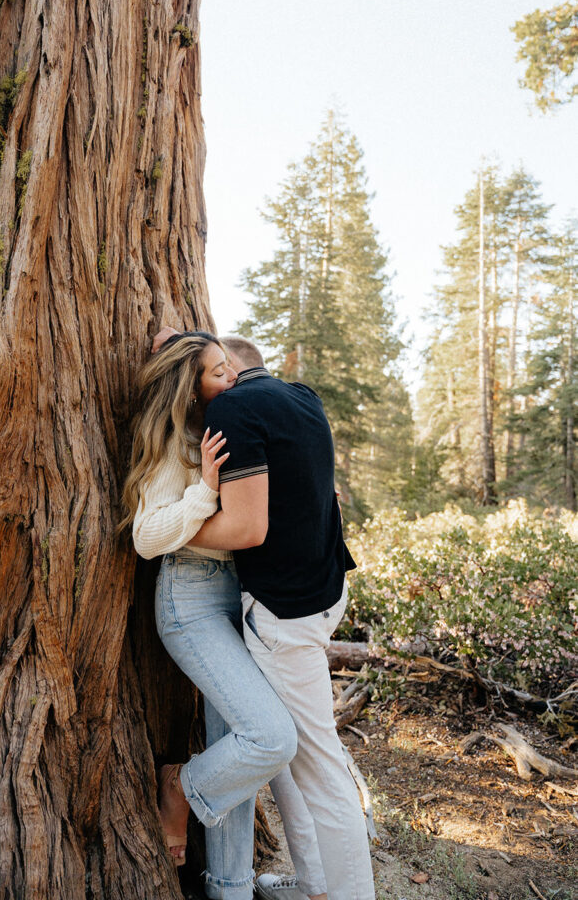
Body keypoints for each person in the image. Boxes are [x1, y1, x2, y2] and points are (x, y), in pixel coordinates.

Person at [184, 334, 376, 900]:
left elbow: (247, 529)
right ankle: (315, 884)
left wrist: (175, 531)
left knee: (319, 767)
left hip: (284, 616)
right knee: (292, 756)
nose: (211, 387)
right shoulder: (303, 397)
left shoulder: (233, 407)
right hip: (324, 594)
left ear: (232, 370)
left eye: (218, 372)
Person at [121, 331, 309, 900]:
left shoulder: (227, 429)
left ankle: (229, 888)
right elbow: (147, 537)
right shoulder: (173, 446)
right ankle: (179, 784)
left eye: (231, 368)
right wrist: (204, 488)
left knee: (241, 750)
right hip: (193, 602)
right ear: (189, 387)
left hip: (244, 598)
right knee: (271, 739)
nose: (232, 378)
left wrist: (185, 334)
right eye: (218, 373)